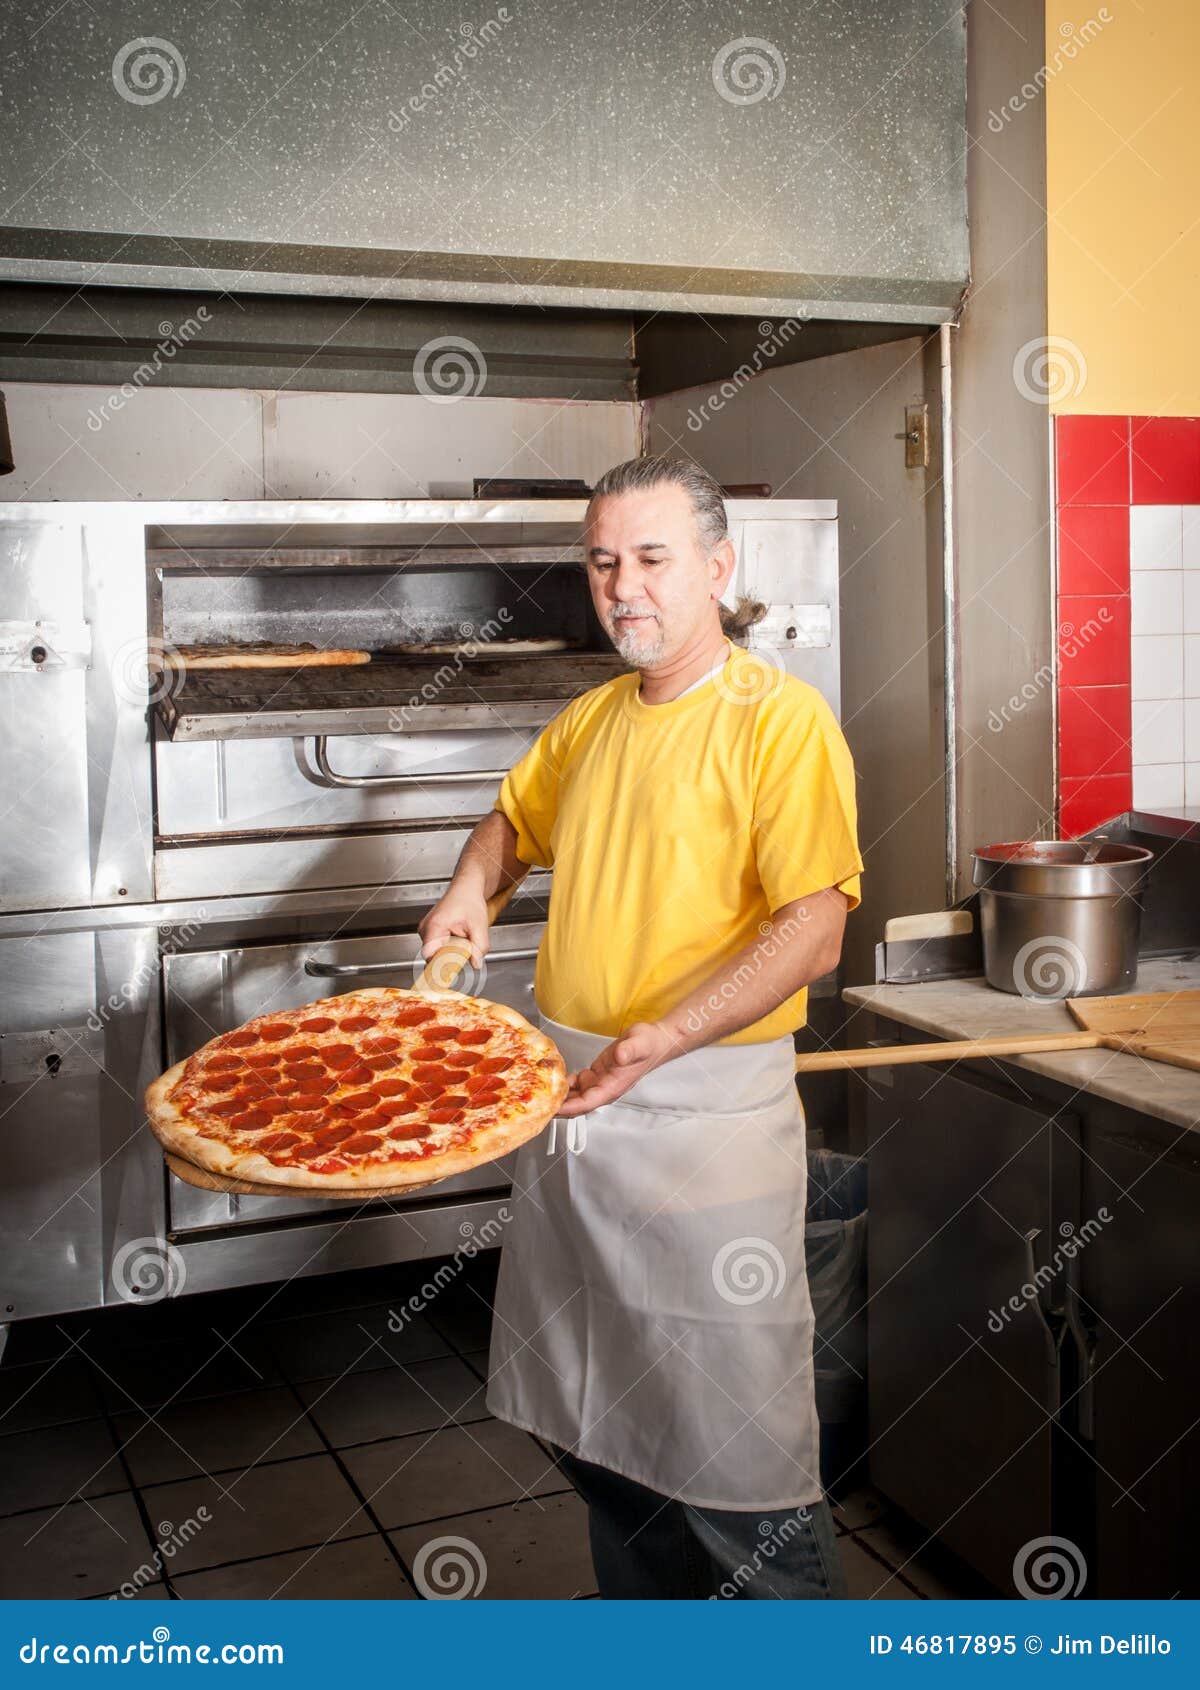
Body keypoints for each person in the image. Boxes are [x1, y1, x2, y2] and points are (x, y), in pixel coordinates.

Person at [418, 455, 863, 1599]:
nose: (625, 588)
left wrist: (669, 1031)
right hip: (576, 1127)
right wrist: (472, 894)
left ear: (719, 567)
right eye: (605, 561)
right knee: (604, 1441)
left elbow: (814, 926)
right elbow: (508, 827)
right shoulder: (593, 719)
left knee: (734, 1470)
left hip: (701, 1132)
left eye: (653, 559)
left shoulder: (779, 722)